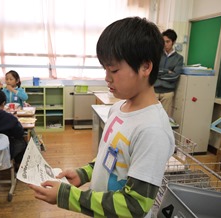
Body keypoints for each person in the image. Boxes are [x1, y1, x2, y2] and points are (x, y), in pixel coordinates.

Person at [28, 17, 175, 218]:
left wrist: (68, 197)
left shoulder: (152, 130)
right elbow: (111, 155)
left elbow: (135, 205)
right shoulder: (118, 108)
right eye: (105, 68)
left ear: (145, 67)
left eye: (113, 70)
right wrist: (84, 173)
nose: (107, 77)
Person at [154, 29, 184, 117]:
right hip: (153, 91)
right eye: (163, 41)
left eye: (168, 41)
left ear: (173, 42)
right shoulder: (156, 55)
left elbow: (174, 76)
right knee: (151, 116)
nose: (165, 44)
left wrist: (158, 74)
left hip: (168, 93)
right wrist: (167, 71)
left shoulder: (179, 58)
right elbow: (153, 72)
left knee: (164, 117)